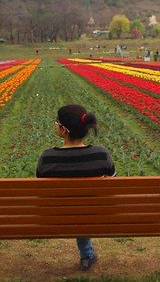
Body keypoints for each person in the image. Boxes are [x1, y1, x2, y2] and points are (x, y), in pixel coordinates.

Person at [36, 104, 115, 271]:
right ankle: (86, 254)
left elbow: (40, 187)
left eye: (56, 122)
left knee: (76, 207)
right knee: (83, 206)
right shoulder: (101, 155)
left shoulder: (48, 158)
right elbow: (112, 181)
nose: (55, 125)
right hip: (98, 214)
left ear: (63, 130)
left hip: (57, 216)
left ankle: (86, 253)